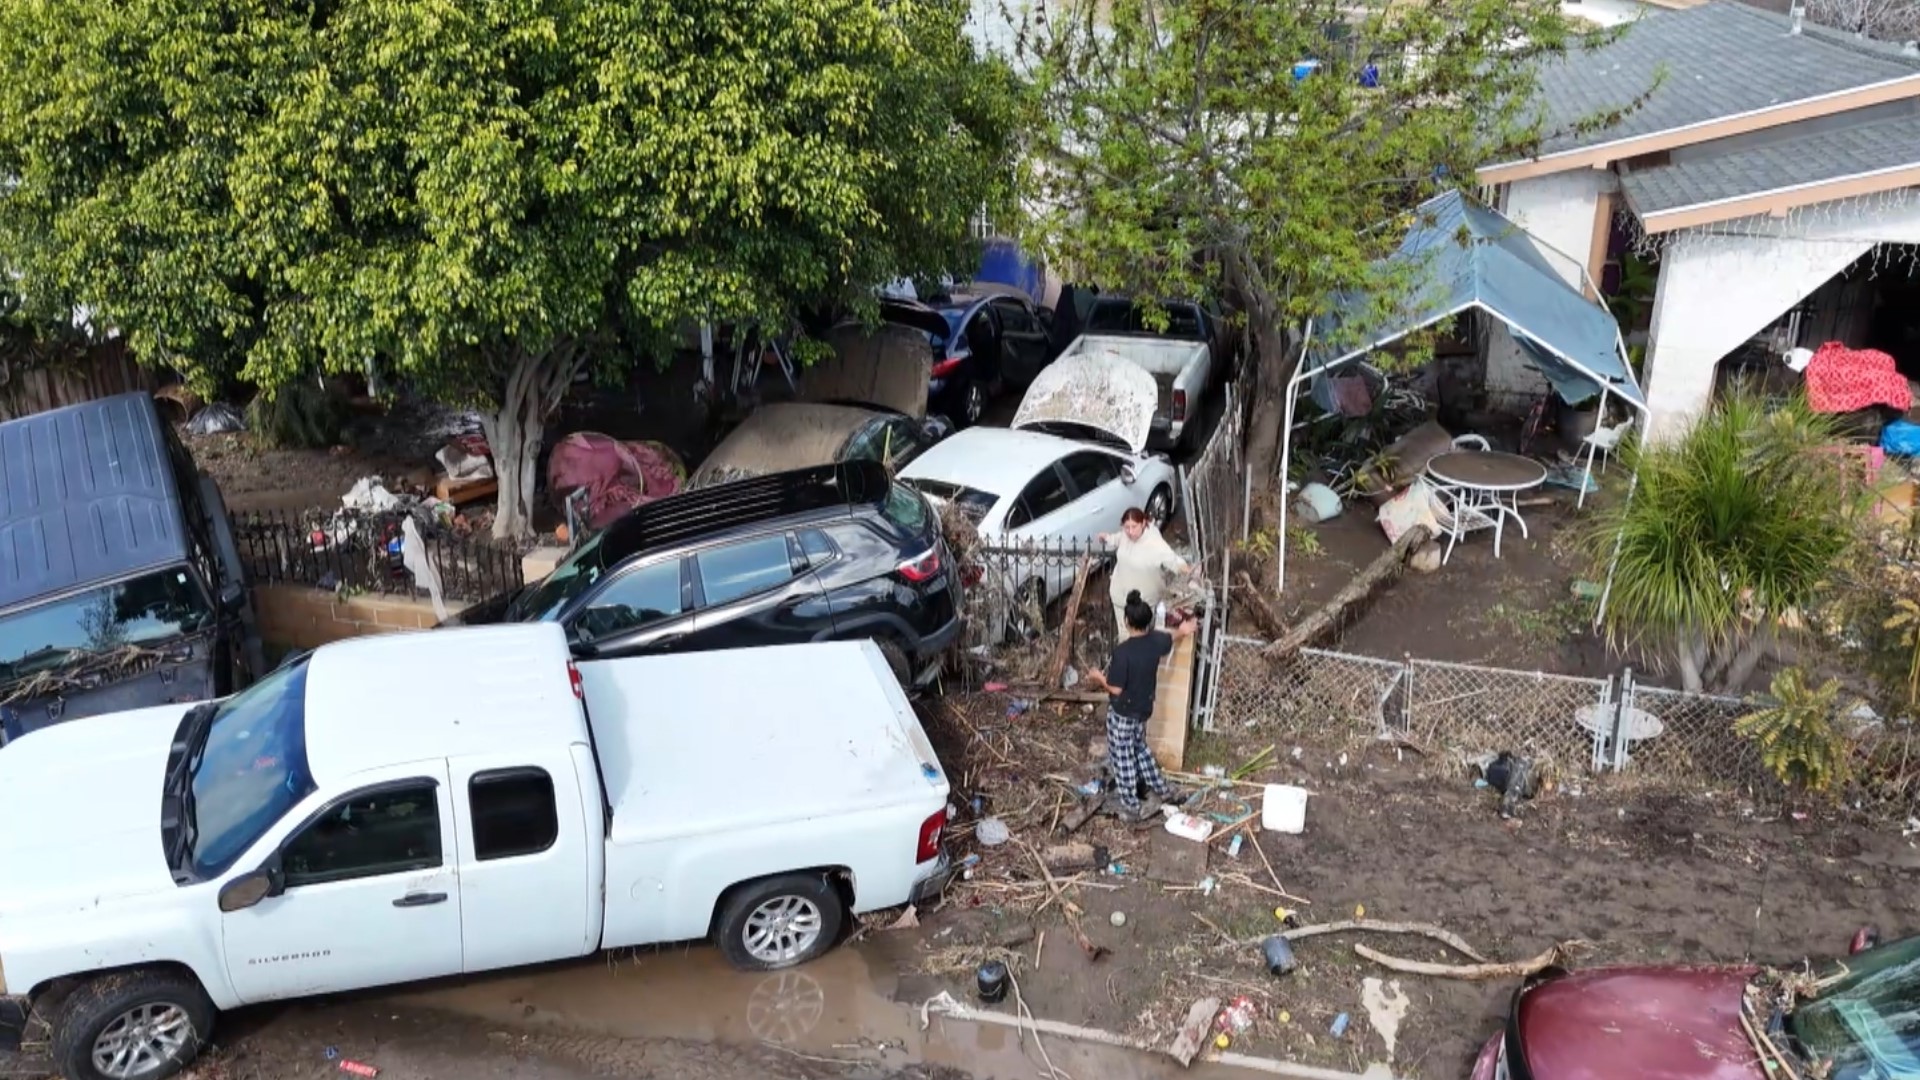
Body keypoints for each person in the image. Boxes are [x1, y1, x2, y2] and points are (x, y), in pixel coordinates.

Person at [1088, 589, 1198, 822]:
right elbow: (1172, 636)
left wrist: (1099, 677)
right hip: (1143, 710)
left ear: (1127, 622)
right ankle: (1164, 789)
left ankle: (1131, 804)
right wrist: (1184, 629)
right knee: (1140, 750)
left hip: (1123, 713)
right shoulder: (1156, 641)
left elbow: (1116, 688)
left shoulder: (1123, 653)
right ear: (1148, 622)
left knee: (1123, 757)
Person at [1098, 507, 1191, 636]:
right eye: (1126, 527)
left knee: (1142, 637)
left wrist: (1187, 570)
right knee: (1125, 636)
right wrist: (1108, 538)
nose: (1130, 532)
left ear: (1143, 524)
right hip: (1120, 597)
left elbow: (1173, 559)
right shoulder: (1125, 535)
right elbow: (1118, 538)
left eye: (1134, 527)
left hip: (1144, 604)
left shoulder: (1155, 543)